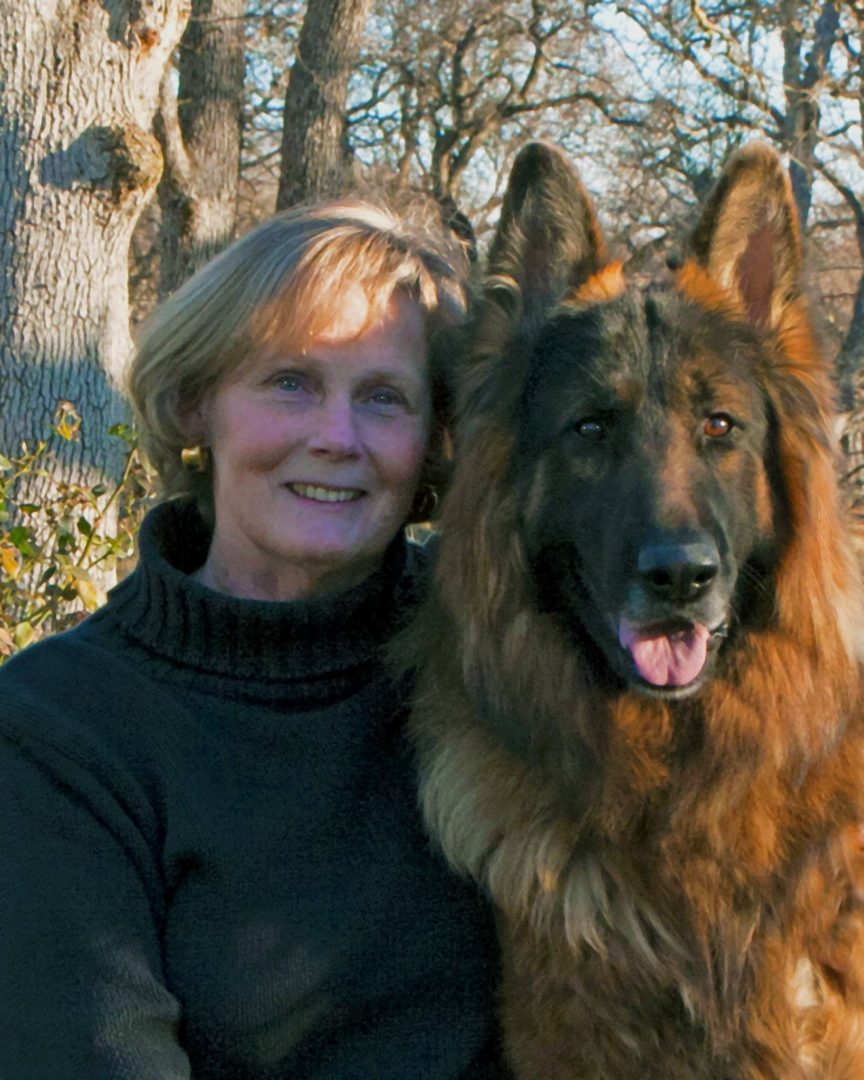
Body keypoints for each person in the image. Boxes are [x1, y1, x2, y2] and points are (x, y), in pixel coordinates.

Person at [0, 196, 503, 1078]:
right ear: (198, 403)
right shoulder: (60, 727)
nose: (336, 437)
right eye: (290, 383)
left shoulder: (504, 670)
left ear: (435, 444)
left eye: (384, 398)